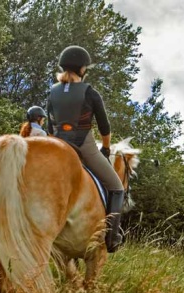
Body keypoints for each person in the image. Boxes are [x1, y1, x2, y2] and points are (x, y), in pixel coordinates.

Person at [47, 45, 125, 253]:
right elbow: (104, 127)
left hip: (57, 146)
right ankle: (111, 238)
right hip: (84, 145)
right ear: (82, 69)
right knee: (117, 187)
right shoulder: (90, 93)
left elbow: (49, 126)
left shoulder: (52, 92)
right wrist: (106, 148)